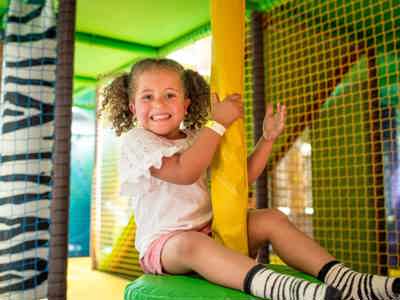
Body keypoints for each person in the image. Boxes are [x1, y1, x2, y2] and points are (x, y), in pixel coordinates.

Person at [99, 57, 400, 300]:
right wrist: (217, 124)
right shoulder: (137, 141)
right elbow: (184, 171)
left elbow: (237, 180)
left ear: (186, 103)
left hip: (212, 231)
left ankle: (348, 281)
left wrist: (267, 139)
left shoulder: (196, 137)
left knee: (270, 218)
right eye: (147, 97)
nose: (159, 105)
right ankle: (282, 288)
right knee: (190, 243)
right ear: (133, 107)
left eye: (170, 95)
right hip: (166, 247)